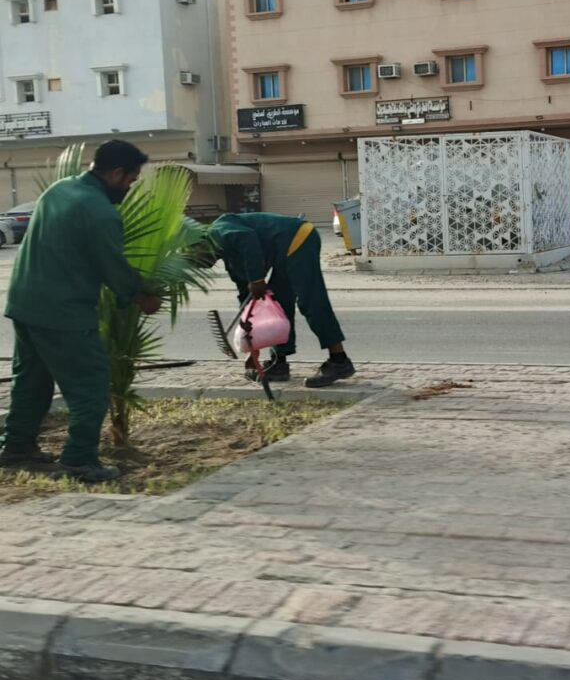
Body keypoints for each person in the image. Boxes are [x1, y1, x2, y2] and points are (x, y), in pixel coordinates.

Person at [0, 140, 161, 482]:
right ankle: (78, 460)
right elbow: (112, 266)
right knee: (91, 385)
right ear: (116, 173)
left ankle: (16, 448)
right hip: (63, 312)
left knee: (31, 382)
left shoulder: (59, 190)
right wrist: (140, 295)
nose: (129, 188)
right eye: (131, 180)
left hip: (25, 304)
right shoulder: (99, 210)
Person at [198, 212, 355, 388]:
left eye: (195, 258)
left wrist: (257, 279)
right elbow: (248, 301)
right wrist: (252, 350)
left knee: (311, 300)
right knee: (278, 304)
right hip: (283, 251)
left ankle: (339, 361)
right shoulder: (230, 257)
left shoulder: (219, 230)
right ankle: (278, 363)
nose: (198, 265)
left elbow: (248, 239)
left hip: (299, 238)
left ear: (198, 244)